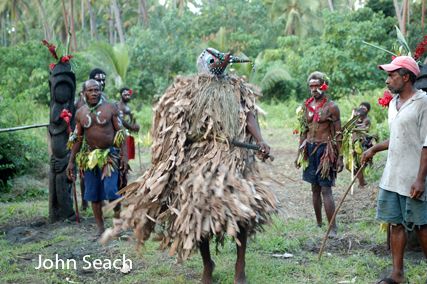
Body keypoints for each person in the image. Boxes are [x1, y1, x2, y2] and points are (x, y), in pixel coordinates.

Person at [101, 48, 277, 284]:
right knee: (197, 208)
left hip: (233, 155)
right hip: (199, 155)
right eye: (214, 62)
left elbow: (249, 116)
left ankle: (240, 265)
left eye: (222, 62)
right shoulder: (188, 89)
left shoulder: (237, 88)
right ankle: (207, 265)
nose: (220, 66)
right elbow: (174, 126)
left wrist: (260, 140)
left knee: (241, 209)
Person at [361, 56, 427, 284]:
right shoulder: (393, 103)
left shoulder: (422, 102)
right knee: (396, 224)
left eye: (391, 75)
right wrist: (374, 149)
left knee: (421, 226)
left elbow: (426, 143)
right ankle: (397, 275)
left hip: (413, 177)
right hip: (393, 175)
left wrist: (421, 180)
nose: (387, 81)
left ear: (406, 77)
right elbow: (399, 136)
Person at [66, 79, 127, 240]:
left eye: (96, 90)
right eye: (90, 91)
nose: (94, 93)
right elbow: (78, 138)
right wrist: (71, 161)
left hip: (110, 155)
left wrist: (124, 157)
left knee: (111, 189)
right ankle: (100, 228)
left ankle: (117, 223)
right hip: (90, 157)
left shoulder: (110, 108)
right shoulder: (80, 113)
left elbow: (120, 133)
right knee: (93, 193)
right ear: (83, 93)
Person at [295, 71, 344, 238]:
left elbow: (339, 133)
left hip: (326, 151)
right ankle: (318, 223)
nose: (314, 89)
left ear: (324, 86)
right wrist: (300, 152)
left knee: (325, 189)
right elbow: (303, 131)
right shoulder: (306, 107)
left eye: (317, 86)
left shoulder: (331, 107)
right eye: (311, 86)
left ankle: (333, 227)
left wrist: (340, 157)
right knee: (314, 188)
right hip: (310, 149)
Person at [116, 88, 140, 162]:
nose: (127, 97)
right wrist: (132, 128)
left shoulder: (127, 106)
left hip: (128, 131)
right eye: (125, 95)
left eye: (128, 95)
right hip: (123, 132)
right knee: (124, 152)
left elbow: (131, 117)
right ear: (121, 95)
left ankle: (126, 169)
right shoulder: (120, 106)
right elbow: (121, 120)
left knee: (128, 152)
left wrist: (135, 124)